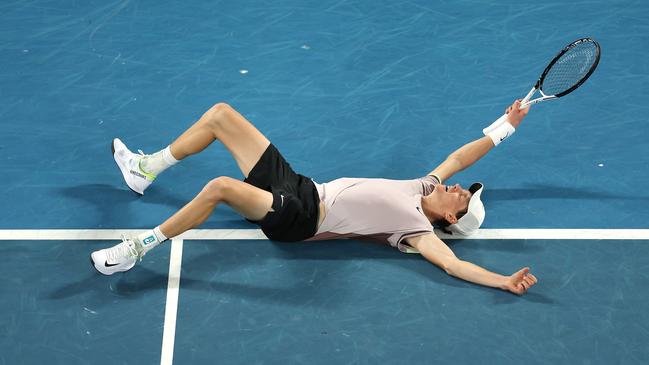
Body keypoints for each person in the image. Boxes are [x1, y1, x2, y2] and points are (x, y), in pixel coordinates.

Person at [91, 99, 538, 295]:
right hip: (301, 186)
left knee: (220, 188)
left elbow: (455, 264)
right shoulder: (423, 187)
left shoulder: (417, 231)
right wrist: (506, 128)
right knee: (221, 116)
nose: (459, 187)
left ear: (451, 221)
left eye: (463, 198)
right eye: (464, 187)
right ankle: (145, 169)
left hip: (301, 219)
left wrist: (501, 280)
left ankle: (137, 248)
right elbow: (460, 157)